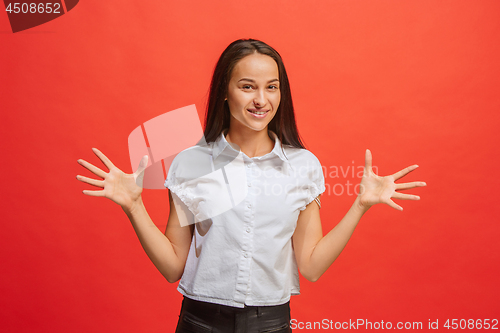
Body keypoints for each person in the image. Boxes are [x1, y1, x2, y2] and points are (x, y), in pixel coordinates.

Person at [76, 39, 426, 332]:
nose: (261, 99)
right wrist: (134, 207)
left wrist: (360, 206)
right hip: (200, 321)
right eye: (247, 86)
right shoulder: (193, 163)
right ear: (225, 92)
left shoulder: (303, 166)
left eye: (271, 87)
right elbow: (172, 267)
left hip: (271, 323)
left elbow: (312, 266)